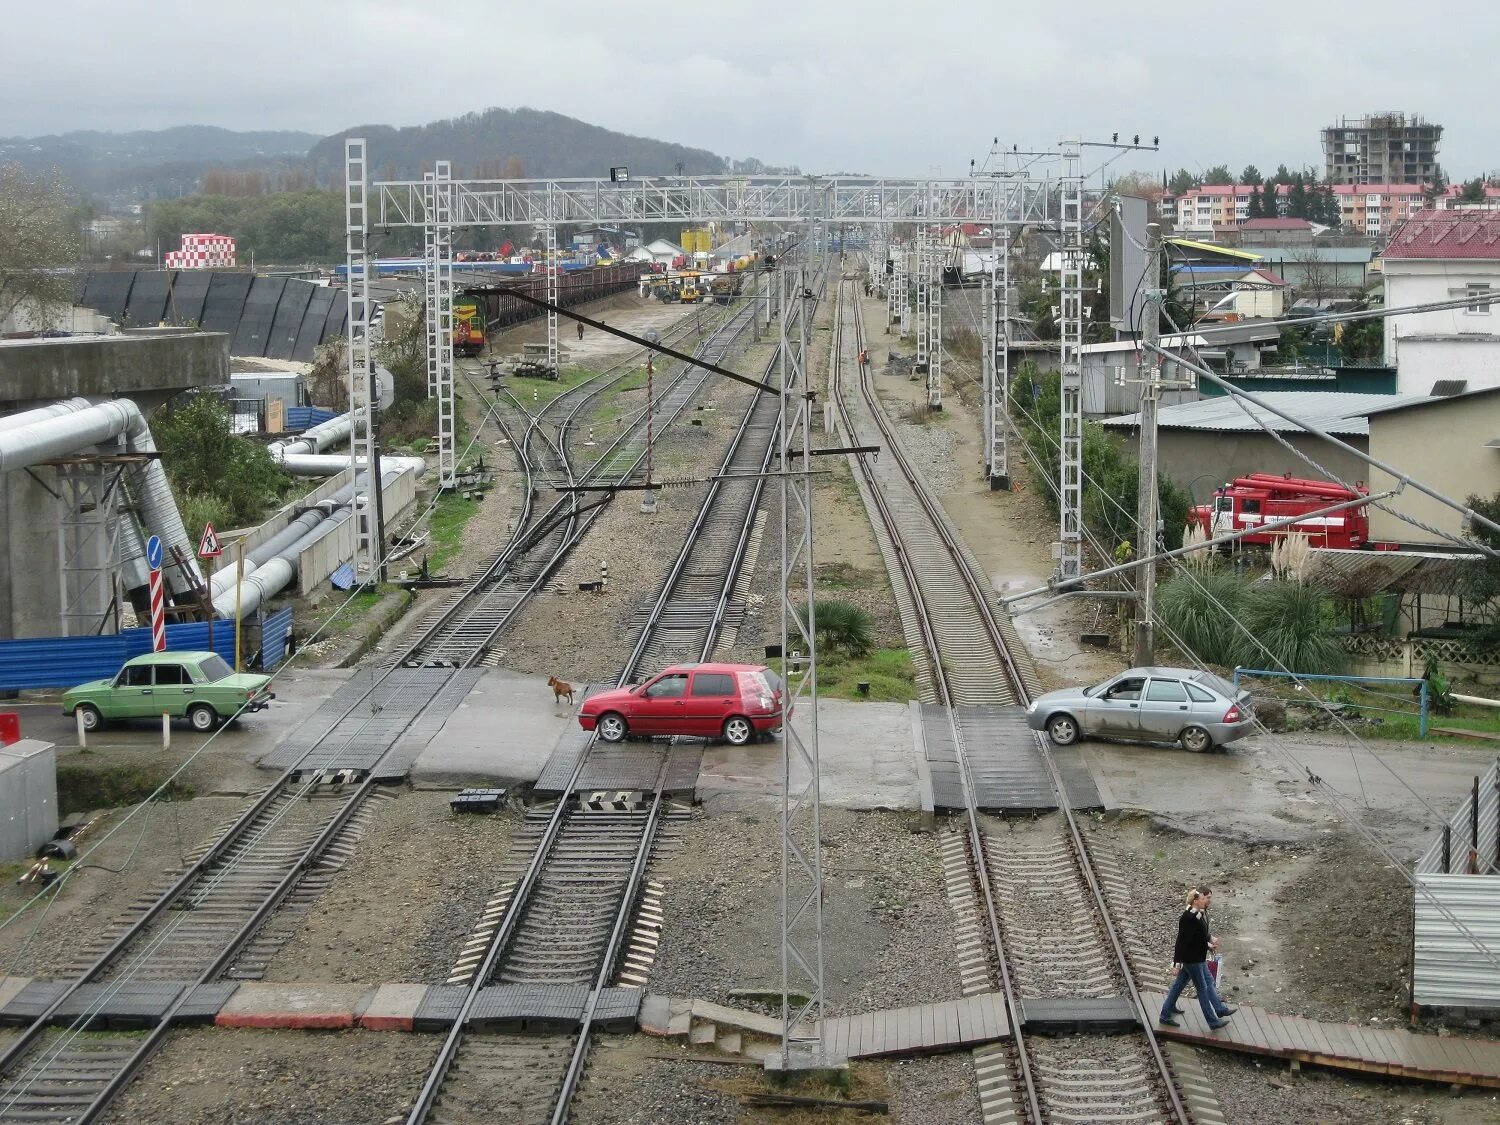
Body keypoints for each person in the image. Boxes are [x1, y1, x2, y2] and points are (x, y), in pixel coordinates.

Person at [1159, 885, 1235, 1029]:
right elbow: (1181, 942)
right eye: (1204, 899)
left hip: (1197, 958)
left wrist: (1208, 944)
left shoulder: (1196, 914)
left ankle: (1166, 1012)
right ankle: (1213, 1021)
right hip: (1192, 960)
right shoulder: (1188, 918)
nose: (1207, 901)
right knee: (1203, 989)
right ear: (1195, 900)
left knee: (1181, 985)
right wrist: (1176, 963)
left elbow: (1198, 936)